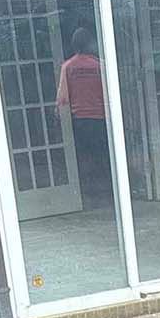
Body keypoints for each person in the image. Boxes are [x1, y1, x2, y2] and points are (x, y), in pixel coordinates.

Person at [56, 27, 111, 202]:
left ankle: (87, 192)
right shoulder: (100, 65)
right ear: (90, 44)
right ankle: (108, 189)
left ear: (74, 45)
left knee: (83, 156)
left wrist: (57, 114)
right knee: (103, 155)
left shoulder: (67, 67)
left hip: (79, 120)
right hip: (100, 117)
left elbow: (63, 97)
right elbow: (109, 93)